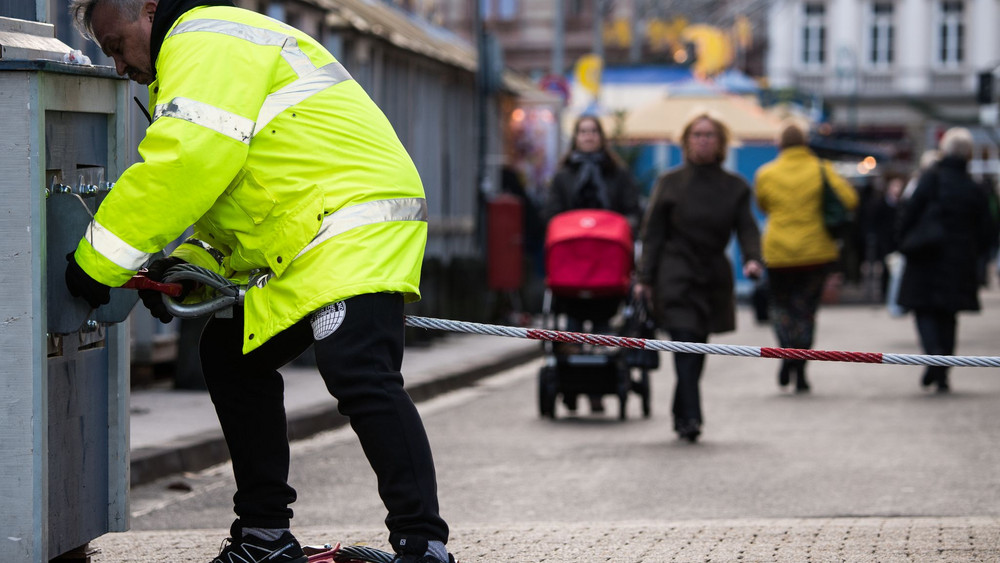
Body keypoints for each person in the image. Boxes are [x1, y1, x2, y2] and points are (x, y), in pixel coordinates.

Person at [63, 1, 453, 562]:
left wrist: (96, 262)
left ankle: (423, 545)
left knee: (359, 373)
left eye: (116, 46)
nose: (119, 66)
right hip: (313, 235)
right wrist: (192, 269)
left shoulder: (201, 44)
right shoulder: (196, 55)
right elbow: (231, 196)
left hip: (348, 225)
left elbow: (184, 166)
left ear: (148, 10)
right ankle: (263, 536)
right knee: (230, 354)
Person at [634, 111, 762, 442]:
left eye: (709, 135)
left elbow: (747, 227)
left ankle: (681, 412)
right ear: (685, 141)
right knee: (685, 340)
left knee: (697, 347)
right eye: (696, 134)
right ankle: (691, 417)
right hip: (675, 273)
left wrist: (752, 259)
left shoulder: (734, 186)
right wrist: (644, 278)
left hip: (711, 278)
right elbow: (653, 234)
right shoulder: (671, 182)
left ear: (720, 143)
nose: (702, 140)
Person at [543, 115, 641, 413]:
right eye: (583, 132)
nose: (588, 137)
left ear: (601, 136)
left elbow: (632, 210)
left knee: (602, 322)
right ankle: (573, 379)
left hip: (606, 262)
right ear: (575, 137)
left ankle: (597, 383)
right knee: (571, 321)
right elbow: (551, 214)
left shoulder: (617, 174)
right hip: (571, 262)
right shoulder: (562, 177)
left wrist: (613, 228)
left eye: (593, 132)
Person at [753, 120, 858, 393]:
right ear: (806, 143)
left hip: (777, 254)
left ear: (780, 144)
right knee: (806, 311)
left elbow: (763, 204)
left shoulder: (766, 173)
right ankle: (801, 367)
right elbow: (849, 199)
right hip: (815, 253)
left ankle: (786, 353)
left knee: (780, 308)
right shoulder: (822, 169)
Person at [896, 127, 994, 393]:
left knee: (924, 310)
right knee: (949, 316)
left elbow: (909, 213)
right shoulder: (973, 187)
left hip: (926, 256)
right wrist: (978, 256)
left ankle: (933, 355)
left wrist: (903, 242)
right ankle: (943, 369)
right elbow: (987, 230)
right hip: (959, 260)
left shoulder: (931, 178)